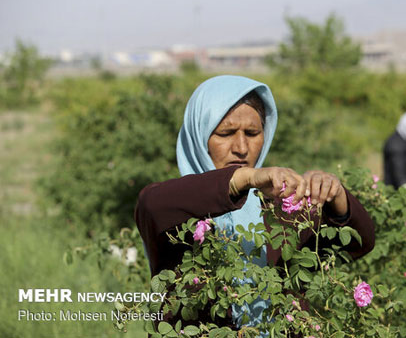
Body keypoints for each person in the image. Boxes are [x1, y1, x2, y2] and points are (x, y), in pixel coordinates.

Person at [134, 75, 375, 329]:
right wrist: (247, 177)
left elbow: (361, 242)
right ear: (199, 134)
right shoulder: (172, 210)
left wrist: (336, 195)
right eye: (225, 133)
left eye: (252, 133)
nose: (241, 147)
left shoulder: (282, 208)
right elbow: (151, 203)